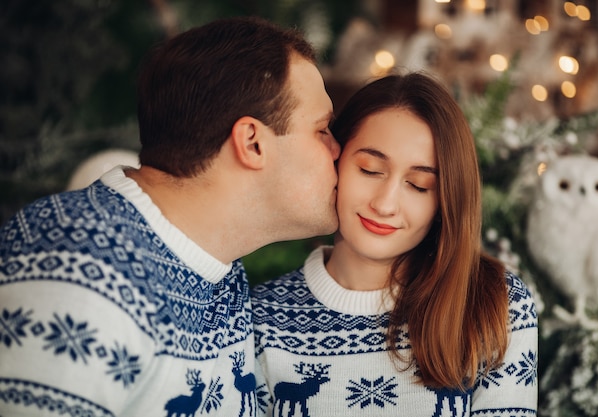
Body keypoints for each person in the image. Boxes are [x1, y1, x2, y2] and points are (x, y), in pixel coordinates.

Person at [0, 16, 339, 417]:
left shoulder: (215, 265)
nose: (338, 150)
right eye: (323, 130)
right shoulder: (73, 266)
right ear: (252, 142)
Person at [252, 72, 538, 416]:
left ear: (444, 202)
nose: (385, 205)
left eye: (418, 185)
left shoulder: (495, 305)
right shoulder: (260, 318)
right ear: (334, 160)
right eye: (370, 170)